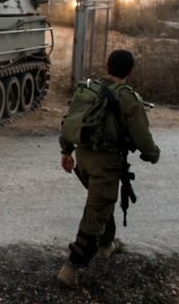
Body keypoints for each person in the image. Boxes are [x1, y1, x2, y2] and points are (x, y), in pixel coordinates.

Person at [56, 50, 161, 289]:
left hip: (83, 160)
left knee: (102, 203)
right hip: (107, 164)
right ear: (131, 71)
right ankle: (71, 267)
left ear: (107, 66)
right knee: (96, 211)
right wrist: (153, 155)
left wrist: (66, 151)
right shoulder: (127, 98)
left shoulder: (89, 88)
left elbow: (69, 118)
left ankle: (105, 246)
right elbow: (142, 137)